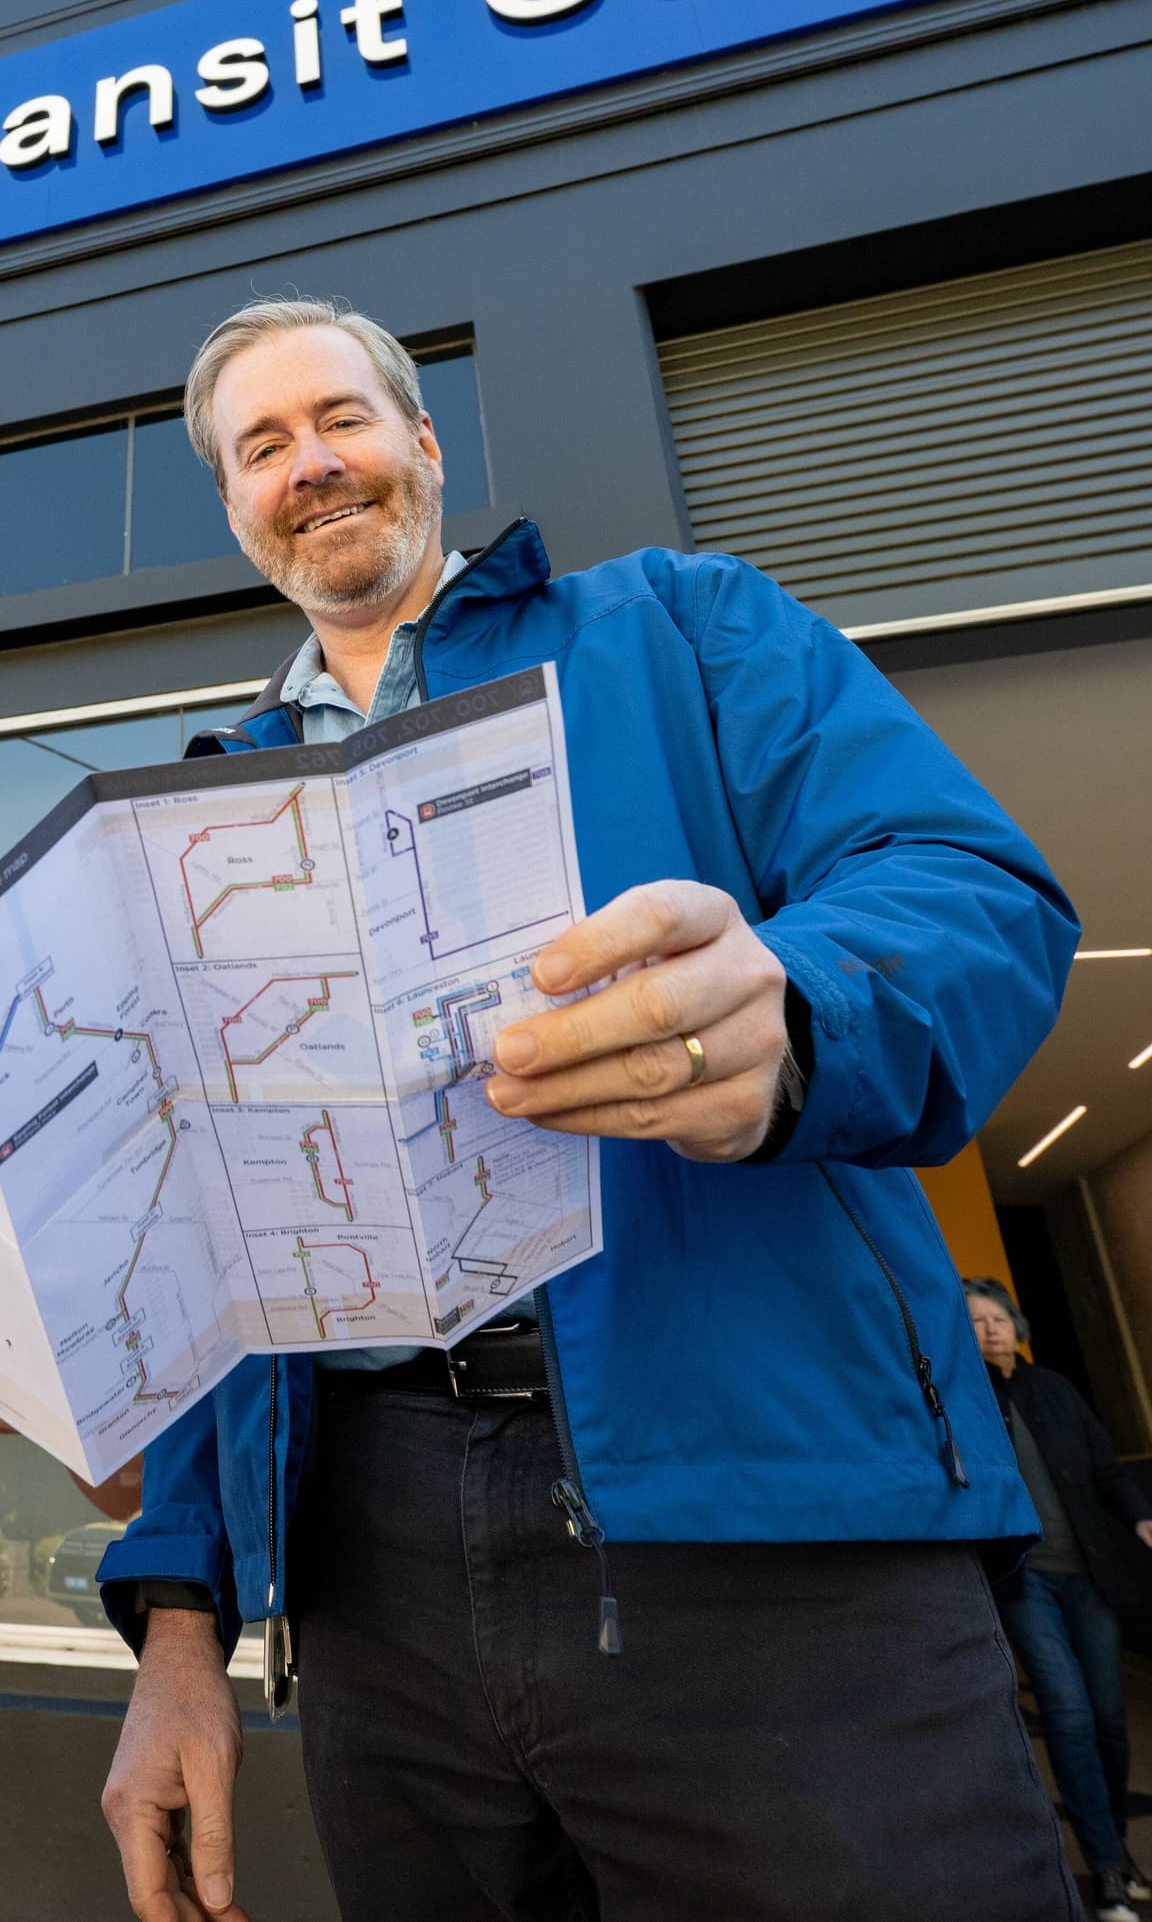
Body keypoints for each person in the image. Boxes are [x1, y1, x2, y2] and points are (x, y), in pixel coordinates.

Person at [94, 301, 1082, 1922]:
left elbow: (973, 888)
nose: (311, 462)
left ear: (423, 443)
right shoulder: (205, 807)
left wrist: (795, 1002)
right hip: (371, 1562)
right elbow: (222, 1233)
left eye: (342, 417)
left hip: (760, 1497)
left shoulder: (682, 628)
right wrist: (185, 1611)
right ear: (233, 506)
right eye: (261, 446)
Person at [967, 1276, 1152, 1922]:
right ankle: (1106, 1867)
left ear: (1016, 1323)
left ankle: (1114, 1841)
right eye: (974, 1322)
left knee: (1109, 1721)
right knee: (1067, 1712)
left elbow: (1105, 1469)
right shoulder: (967, 1401)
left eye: (998, 1316)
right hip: (1025, 1581)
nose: (991, 1328)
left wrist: (1142, 1517)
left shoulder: (1054, 1389)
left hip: (1089, 1575)